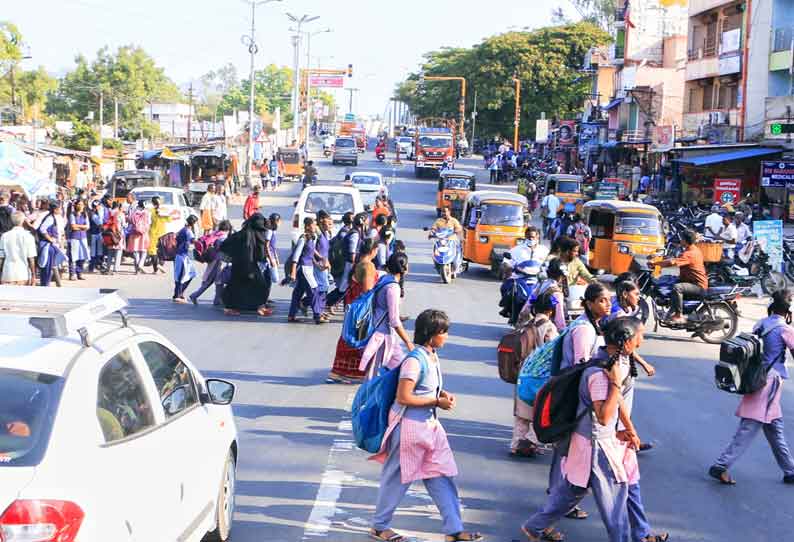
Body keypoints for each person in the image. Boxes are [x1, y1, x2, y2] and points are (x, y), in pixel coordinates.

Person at [522, 317, 644, 542]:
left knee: (572, 491)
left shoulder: (611, 365)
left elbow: (618, 405)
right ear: (626, 341)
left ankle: (534, 527)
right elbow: (605, 416)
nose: (641, 341)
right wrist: (616, 384)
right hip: (596, 445)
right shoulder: (600, 374)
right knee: (616, 497)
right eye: (639, 336)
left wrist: (630, 429)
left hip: (587, 441)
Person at [369, 309, 483, 542]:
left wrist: (441, 394)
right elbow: (403, 397)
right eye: (444, 332)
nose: (447, 336)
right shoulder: (414, 360)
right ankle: (380, 526)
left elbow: (428, 387)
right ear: (431, 335)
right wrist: (435, 401)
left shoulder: (431, 355)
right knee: (398, 478)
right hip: (410, 428)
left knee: (442, 475)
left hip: (430, 427)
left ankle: (454, 529)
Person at [710, 288, 794, 486]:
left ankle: (790, 470)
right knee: (749, 427)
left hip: (756, 378)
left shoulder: (762, 323)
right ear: (788, 310)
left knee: (775, 428)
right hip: (770, 382)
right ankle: (721, 465)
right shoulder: (785, 329)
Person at [512, 292, 559, 458]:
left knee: (522, 413)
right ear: (551, 311)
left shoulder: (526, 324)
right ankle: (531, 442)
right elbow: (553, 350)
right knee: (538, 410)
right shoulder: (549, 327)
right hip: (540, 374)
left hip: (522, 371)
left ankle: (516, 443)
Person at [359, 252, 414, 377]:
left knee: (399, 367)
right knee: (372, 375)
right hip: (381, 335)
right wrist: (408, 342)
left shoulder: (384, 279)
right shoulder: (393, 287)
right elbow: (394, 320)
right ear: (404, 268)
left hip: (382, 331)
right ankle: (369, 395)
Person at [222, 213, 273, 317]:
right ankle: (230, 308)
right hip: (244, 265)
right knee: (257, 285)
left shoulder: (250, 232)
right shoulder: (245, 234)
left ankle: (258, 307)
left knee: (245, 285)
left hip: (245, 264)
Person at [654, 229, 708, 324]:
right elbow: (676, 259)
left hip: (698, 285)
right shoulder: (692, 249)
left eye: (682, 239)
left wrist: (656, 263)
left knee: (677, 288)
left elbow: (673, 262)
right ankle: (671, 310)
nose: (680, 241)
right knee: (668, 280)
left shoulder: (689, 254)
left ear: (685, 241)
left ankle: (678, 315)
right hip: (690, 281)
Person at [288, 217, 326, 324]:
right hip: (304, 269)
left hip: (309, 267)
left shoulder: (312, 238)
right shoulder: (303, 239)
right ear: (308, 226)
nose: (316, 227)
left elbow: (311, 250)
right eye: (314, 225)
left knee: (298, 293)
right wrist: (293, 271)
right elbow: (296, 255)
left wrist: (320, 259)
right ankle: (317, 315)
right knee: (314, 290)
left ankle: (291, 315)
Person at [326, 212, 364, 308]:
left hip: (347, 264)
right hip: (347, 264)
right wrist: (354, 268)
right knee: (343, 289)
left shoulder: (354, 232)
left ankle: (328, 305)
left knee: (344, 289)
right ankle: (321, 303)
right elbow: (351, 253)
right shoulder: (352, 233)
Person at [190, 220, 232, 306]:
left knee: (218, 281)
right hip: (217, 261)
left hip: (213, 260)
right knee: (210, 281)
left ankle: (217, 300)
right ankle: (195, 295)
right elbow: (222, 248)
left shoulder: (215, 233)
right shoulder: (223, 236)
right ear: (228, 228)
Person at [0, 211, 37, 285]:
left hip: (8, 273)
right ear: (23, 221)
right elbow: (31, 258)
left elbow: (1, 257)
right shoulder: (28, 236)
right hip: (23, 273)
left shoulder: (4, 236)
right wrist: (33, 275)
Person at [430, 206, 464, 275]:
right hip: (441, 241)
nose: (444, 213)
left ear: (449, 212)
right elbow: (433, 228)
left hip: (452, 241)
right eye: (443, 212)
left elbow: (459, 228)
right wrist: (431, 233)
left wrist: (457, 230)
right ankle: (436, 263)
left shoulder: (454, 221)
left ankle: (457, 265)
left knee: (457, 250)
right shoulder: (438, 221)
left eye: (445, 211)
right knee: (435, 250)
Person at [172, 215, 198, 303]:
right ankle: (177, 295)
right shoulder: (188, 231)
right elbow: (193, 241)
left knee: (189, 274)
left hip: (182, 255)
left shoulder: (183, 229)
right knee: (181, 276)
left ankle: (179, 293)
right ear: (193, 223)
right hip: (182, 256)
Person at [67, 199, 90, 280]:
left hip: (83, 237)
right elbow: (73, 226)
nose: (80, 206)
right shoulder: (72, 215)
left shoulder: (85, 214)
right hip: (74, 238)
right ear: (75, 205)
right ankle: (72, 273)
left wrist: (78, 226)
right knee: (73, 256)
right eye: (79, 204)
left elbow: (87, 226)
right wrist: (82, 227)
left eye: (82, 204)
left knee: (82, 256)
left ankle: (79, 273)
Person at [148, 196, 171, 274]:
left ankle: (156, 269)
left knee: (152, 251)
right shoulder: (164, 210)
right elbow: (169, 220)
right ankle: (160, 265)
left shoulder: (151, 211)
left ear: (152, 203)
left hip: (153, 233)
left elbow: (148, 222)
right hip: (162, 233)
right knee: (161, 251)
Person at [127, 200, 151, 275]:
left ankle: (137, 269)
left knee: (135, 251)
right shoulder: (147, 213)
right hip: (144, 233)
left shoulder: (134, 212)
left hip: (134, 233)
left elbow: (130, 220)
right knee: (144, 251)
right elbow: (149, 223)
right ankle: (140, 265)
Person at [103, 201, 125, 275]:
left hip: (109, 234)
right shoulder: (121, 214)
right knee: (118, 253)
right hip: (118, 235)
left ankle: (108, 268)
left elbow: (105, 223)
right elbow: (124, 225)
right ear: (119, 206)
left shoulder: (108, 213)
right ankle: (115, 269)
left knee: (110, 253)